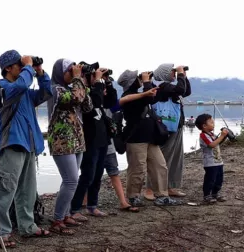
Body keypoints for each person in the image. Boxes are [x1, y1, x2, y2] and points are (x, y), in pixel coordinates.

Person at [0, 49, 52, 248]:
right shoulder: (1, 87)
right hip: (12, 144)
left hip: (30, 144)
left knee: (27, 190)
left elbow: (46, 93)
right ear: (8, 68)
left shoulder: (24, 90)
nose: (24, 67)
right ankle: (0, 232)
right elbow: (19, 86)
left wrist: (40, 72)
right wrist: (28, 68)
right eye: (19, 64)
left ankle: (27, 226)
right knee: (6, 189)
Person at [117, 70, 180, 207]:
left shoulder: (142, 93)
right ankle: (133, 196)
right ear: (132, 82)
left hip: (151, 137)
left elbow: (153, 96)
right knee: (137, 168)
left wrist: (148, 82)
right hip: (136, 138)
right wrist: (146, 82)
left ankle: (162, 196)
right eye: (137, 78)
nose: (140, 79)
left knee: (160, 165)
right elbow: (149, 98)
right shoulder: (129, 96)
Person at [47, 59, 93, 235]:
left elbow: (88, 106)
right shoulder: (55, 89)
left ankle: (65, 215)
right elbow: (74, 98)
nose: (73, 74)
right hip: (62, 141)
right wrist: (77, 80)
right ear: (60, 72)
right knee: (71, 180)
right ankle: (57, 219)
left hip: (77, 140)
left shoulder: (74, 87)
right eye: (69, 71)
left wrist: (83, 81)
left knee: (69, 181)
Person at [70, 63, 117, 220]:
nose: (96, 78)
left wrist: (107, 81)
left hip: (102, 138)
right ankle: (75, 208)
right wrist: (97, 82)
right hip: (89, 140)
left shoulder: (96, 89)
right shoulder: (82, 92)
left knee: (97, 175)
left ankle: (92, 206)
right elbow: (94, 103)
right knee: (87, 175)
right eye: (93, 75)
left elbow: (111, 101)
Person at [144, 64, 191, 200]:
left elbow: (186, 92)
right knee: (159, 159)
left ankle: (170, 186)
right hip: (162, 128)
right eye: (172, 72)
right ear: (164, 73)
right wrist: (181, 75)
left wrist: (184, 76)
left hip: (175, 125)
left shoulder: (171, 86)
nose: (174, 74)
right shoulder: (160, 86)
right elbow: (181, 90)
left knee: (175, 158)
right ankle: (150, 189)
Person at [195, 113, 228, 204]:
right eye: (211, 122)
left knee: (219, 179)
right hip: (210, 163)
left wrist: (224, 137)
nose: (213, 123)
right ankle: (207, 195)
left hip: (218, 161)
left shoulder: (211, 134)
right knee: (210, 179)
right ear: (204, 126)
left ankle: (215, 193)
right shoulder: (203, 135)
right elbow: (211, 145)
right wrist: (221, 136)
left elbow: (217, 143)